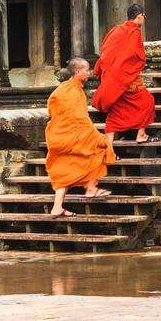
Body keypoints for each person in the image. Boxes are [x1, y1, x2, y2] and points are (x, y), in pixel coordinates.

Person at [46, 58, 115, 217]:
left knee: (65, 170)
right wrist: (97, 137)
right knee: (100, 149)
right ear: (77, 72)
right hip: (70, 136)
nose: (89, 73)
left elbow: (53, 110)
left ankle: (57, 207)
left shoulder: (63, 89)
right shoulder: (72, 91)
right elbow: (79, 119)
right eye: (86, 70)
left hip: (59, 135)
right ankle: (91, 188)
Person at [92, 3, 158, 144]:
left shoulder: (116, 30)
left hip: (110, 78)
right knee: (147, 101)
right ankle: (141, 134)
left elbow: (105, 51)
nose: (144, 19)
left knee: (116, 111)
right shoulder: (134, 33)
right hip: (124, 78)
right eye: (144, 16)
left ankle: (108, 147)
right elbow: (135, 56)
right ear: (139, 16)